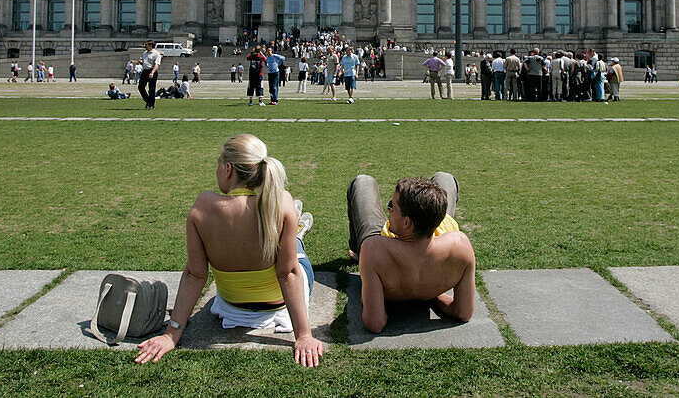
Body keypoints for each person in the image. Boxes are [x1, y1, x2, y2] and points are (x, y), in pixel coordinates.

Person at [135, 134, 323, 366]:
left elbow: (195, 275)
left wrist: (170, 335)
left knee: (283, 238)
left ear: (228, 169)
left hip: (232, 309)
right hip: (279, 307)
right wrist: (304, 335)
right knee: (294, 248)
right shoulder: (282, 201)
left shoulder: (203, 206)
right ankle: (296, 234)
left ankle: (293, 232)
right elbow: (288, 273)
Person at [346, 174, 476, 333]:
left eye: (391, 207)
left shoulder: (374, 250)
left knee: (363, 181)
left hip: (387, 251)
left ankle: (355, 251)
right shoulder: (460, 245)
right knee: (445, 177)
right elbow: (463, 312)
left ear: (406, 222)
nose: (388, 210)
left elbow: (375, 323)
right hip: (433, 239)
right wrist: (432, 296)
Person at [139, 41, 162, 110]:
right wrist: (141, 63)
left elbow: (157, 64)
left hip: (152, 71)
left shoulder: (156, 54)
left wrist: (152, 72)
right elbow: (145, 62)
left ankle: (151, 104)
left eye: (146, 45)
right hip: (145, 71)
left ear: (151, 45)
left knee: (151, 89)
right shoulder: (145, 53)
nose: (145, 46)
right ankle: (148, 100)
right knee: (141, 87)